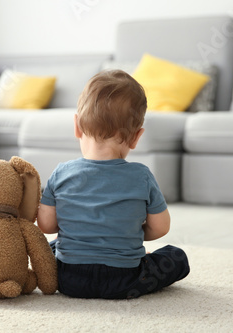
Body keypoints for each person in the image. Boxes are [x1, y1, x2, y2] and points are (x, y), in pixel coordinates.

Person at [37, 69, 190, 299]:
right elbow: (161, 227)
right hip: (125, 280)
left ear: (77, 126)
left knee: (51, 247)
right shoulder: (142, 176)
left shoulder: (61, 173)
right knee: (177, 257)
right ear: (137, 137)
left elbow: (46, 226)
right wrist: (127, 236)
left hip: (68, 279)